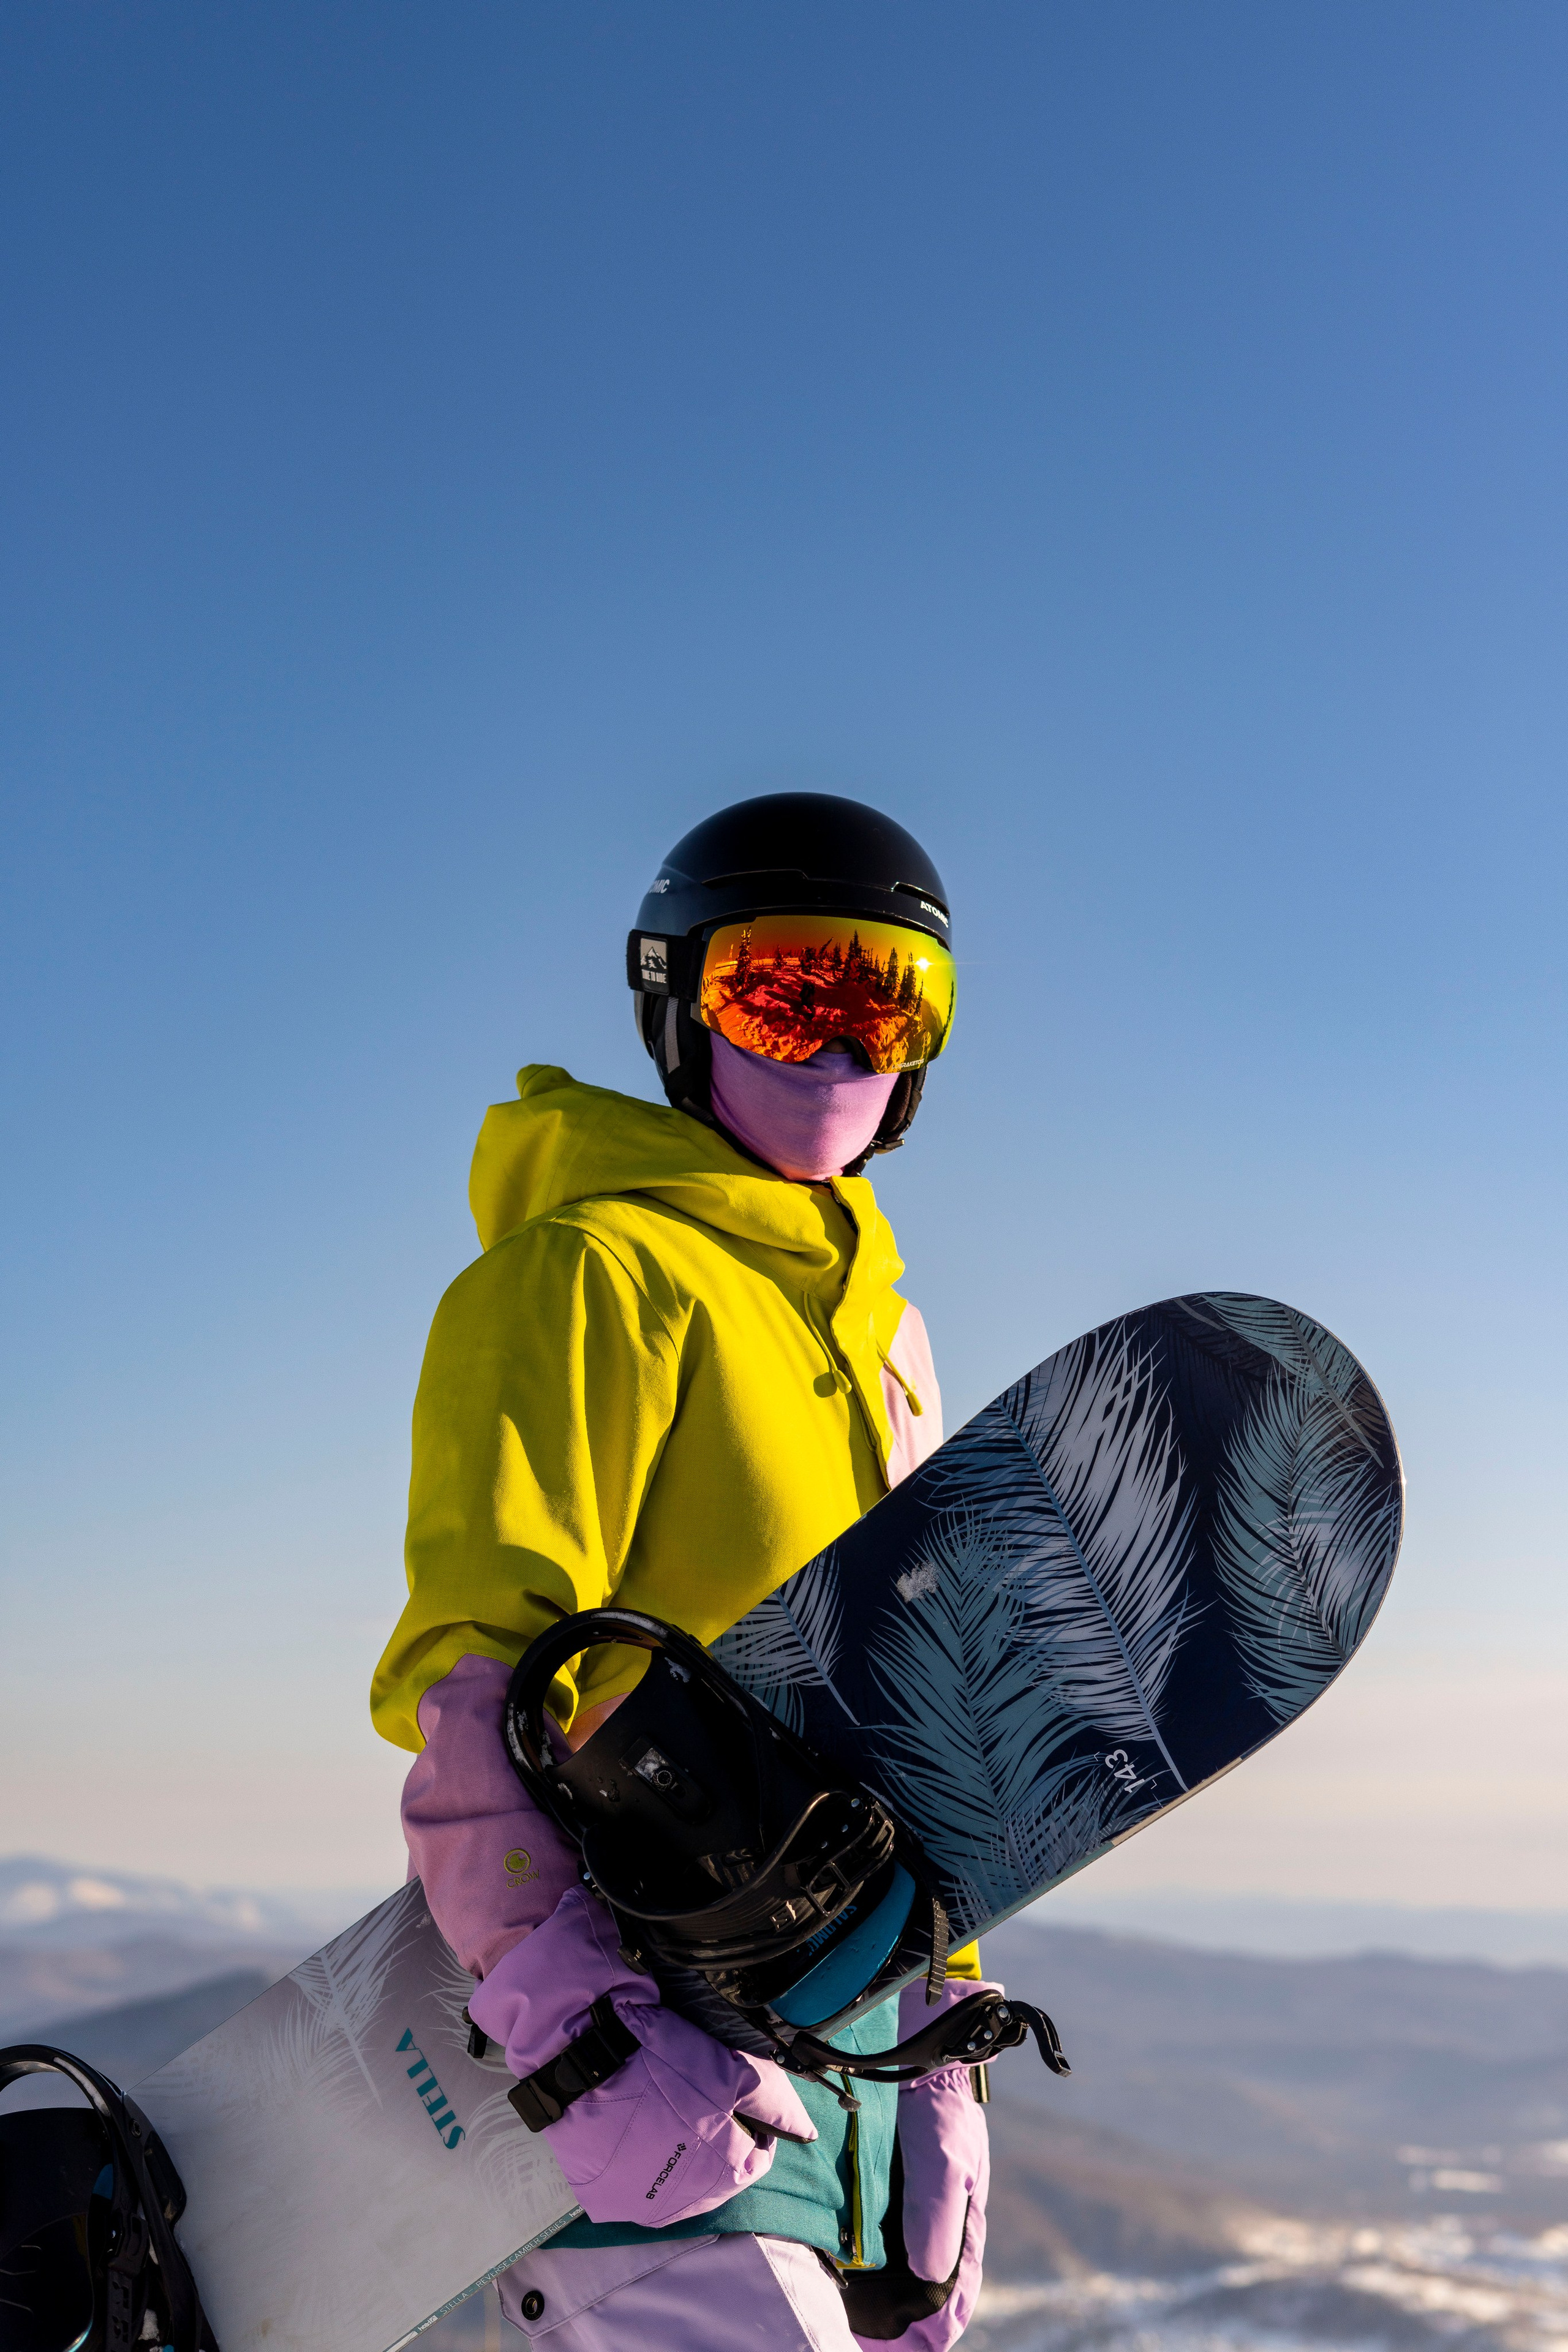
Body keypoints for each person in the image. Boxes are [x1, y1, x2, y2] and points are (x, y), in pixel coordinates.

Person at [371, 793, 1002, 2351]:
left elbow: (927, 1728)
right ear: (675, 997)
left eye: (887, 1001)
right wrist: (575, 2037)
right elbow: (474, 1680)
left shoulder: (890, 1344)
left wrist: (944, 2049)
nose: (838, 1044)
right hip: (657, 2061)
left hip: (856, 2088)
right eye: (782, 990)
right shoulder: (588, 1275)